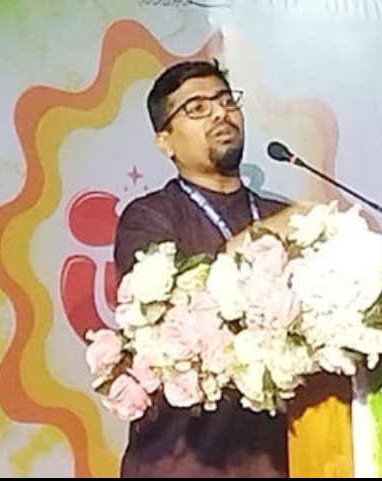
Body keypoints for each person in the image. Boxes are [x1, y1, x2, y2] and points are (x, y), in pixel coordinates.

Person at [113, 60, 290, 478]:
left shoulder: (282, 215)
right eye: (196, 108)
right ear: (165, 141)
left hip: (278, 461)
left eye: (226, 100)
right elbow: (168, 306)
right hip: (180, 462)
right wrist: (266, 236)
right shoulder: (150, 218)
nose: (219, 114)